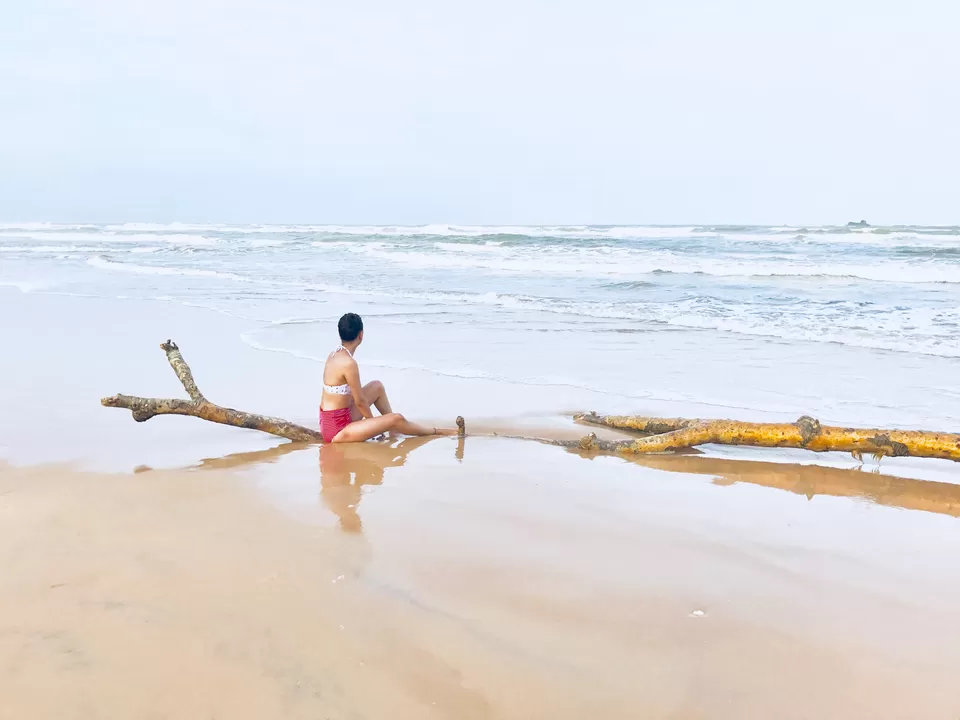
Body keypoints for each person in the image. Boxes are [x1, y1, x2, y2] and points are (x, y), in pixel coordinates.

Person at [319, 313, 464, 443]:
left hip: (334, 419)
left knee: (377, 386)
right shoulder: (349, 363)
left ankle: (394, 430)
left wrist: (375, 423)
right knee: (396, 418)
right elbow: (361, 402)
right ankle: (438, 431)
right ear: (361, 335)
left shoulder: (334, 354)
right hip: (337, 431)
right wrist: (376, 426)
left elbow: (348, 397)